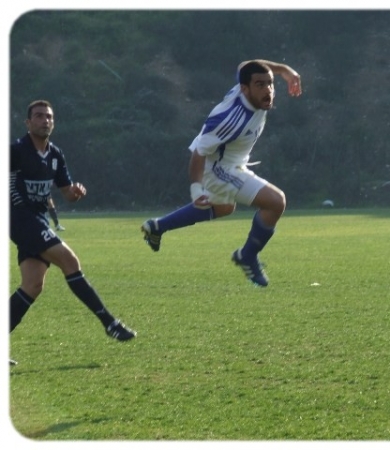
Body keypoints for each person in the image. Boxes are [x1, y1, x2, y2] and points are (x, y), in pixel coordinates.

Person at [141, 59, 302, 287]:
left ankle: (157, 227)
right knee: (276, 202)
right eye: (260, 85)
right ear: (244, 89)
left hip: (231, 162)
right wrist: (196, 189)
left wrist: (285, 70)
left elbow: (246, 64)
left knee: (224, 207)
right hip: (217, 168)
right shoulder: (231, 119)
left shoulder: (245, 86)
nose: (268, 90)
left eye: (270, 83)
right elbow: (199, 153)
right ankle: (247, 256)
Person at [9, 100, 136, 365]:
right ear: (28, 123)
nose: (45, 120)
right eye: (39, 116)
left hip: (38, 221)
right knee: (70, 261)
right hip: (19, 219)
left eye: (49, 117)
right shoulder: (16, 151)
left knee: (32, 285)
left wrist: (76, 192)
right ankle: (109, 322)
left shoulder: (55, 155)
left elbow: (67, 193)